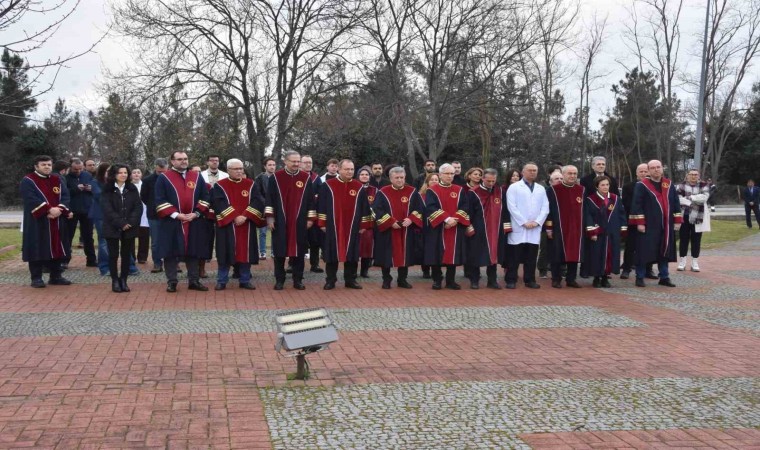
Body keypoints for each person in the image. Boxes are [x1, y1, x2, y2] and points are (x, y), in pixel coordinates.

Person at [155, 151, 212, 292]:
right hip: (172, 221)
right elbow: (159, 199)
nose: (183, 161)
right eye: (180, 159)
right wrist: (175, 214)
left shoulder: (196, 176)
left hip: (193, 220)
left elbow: (205, 197)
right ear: (172, 161)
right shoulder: (164, 178)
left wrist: (196, 213)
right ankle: (172, 282)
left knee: (193, 251)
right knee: (170, 252)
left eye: (185, 159)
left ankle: (194, 280)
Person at [317, 159, 372, 290]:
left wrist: (364, 226)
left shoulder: (359, 187)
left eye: (352, 169)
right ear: (339, 170)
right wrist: (322, 223)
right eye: (347, 169)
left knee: (352, 254)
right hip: (333, 226)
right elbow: (321, 206)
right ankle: (330, 280)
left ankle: (350, 280)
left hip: (353, 227)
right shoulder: (328, 186)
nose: (349, 172)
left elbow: (365, 208)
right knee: (331, 254)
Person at [211, 158, 266, 290]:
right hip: (227, 226)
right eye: (236, 169)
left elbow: (257, 201)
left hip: (246, 225)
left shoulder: (251, 184)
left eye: (241, 168)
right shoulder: (220, 185)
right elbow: (218, 203)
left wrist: (245, 216)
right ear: (228, 170)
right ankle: (222, 280)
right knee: (225, 252)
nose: (239, 171)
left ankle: (245, 280)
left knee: (245, 253)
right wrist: (235, 216)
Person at [266, 151, 317, 290]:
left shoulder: (305, 178)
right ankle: (280, 280)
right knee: (279, 251)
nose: (296, 164)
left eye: (298, 161)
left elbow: (311, 200)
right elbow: (269, 198)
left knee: (299, 251)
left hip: (300, 221)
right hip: (280, 221)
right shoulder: (276, 178)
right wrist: (270, 217)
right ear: (285, 162)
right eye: (293, 161)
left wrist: (310, 219)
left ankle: (298, 280)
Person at [21, 155, 73, 288]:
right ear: (36, 166)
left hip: (56, 220)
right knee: (37, 247)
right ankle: (36, 278)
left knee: (57, 246)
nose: (47, 167)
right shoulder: (28, 180)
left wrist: (59, 209)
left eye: (49, 165)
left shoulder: (57, 179)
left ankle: (56, 276)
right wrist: (49, 210)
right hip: (38, 221)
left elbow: (65, 196)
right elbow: (30, 199)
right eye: (43, 164)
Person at [629, 159, 682, 287]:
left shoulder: (668, 184)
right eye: (653, 168)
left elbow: (676, 203)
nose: (656, 169)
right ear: (648, 170)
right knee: (644, 251)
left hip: (666, 225)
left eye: (658, 167)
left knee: (664, 250)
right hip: (648, 225)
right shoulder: (642, 185)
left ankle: (664, 276)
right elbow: (637, 205)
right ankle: (640, 277)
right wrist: (640, 223)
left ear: (662, 168)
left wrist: (677, 220)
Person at [372, 167, 424, 289]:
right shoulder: (382, 192)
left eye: (402, 177)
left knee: (405, 254)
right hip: (388, 230)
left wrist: (411, 218)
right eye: (397, 178)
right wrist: (390, 221)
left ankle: (402, 279)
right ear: (391, 178)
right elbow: (376, 210)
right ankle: (386, 279)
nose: (399, 180)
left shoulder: (412, 191)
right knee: (386, 256)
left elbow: (420, 209)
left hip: (406, 230)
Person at [423, 163, 471, 290]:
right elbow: (431, 207)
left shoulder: (459, 190)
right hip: (438, 228)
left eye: (452, 173)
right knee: (437, 254)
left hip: (455, 229)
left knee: (453, 254)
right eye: (447, 173)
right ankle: (437, 280)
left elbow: (465, 206)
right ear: (440, 175)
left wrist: (455, 219)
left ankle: (451, 280)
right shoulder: (432, 190)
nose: (450, 176)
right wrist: (447, 219)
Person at [505, 163, 549, 289]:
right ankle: (511, 279)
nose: (532, 172)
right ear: (523, 172)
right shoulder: (514, 187)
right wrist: (523, 222)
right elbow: (511, 207)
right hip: (519, 226)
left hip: (534, 228)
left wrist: (537, 222)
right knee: (514, 255)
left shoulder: (540, 189)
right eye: (529, 170)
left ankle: (530, 280)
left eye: (535, 170)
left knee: (531, 255)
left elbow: (545, 207)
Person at [100, 164, 143, 293]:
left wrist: (130, 222)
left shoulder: (132, 188)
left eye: (125, 172)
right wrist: (120, 223)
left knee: (126, 254)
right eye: (120, 172)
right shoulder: (107, 189)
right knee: (113, 255)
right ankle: (115, 280)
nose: (123, 175)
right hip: (112, 226)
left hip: (129, 227)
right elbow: (107, 209)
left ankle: (123, 279)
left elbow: (138, 207)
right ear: (114, 174)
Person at [466, 168, 508, 289]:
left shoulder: (499, 192)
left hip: (496, 229)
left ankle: (492, 280)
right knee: (475, 254)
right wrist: (469, 227)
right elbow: (468, 212)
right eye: (488, 180)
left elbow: (505, 211)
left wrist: (505, 228)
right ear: (482, 178)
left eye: (493, 181)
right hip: (479, 229)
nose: (491, 183)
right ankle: (474, 280)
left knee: (494, 255)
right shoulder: (473, 192)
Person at [546, 165, 585, 289]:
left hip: (576, 228)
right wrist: (549, 227)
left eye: (575, 173)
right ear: (563, 174)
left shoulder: (582, 190)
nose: (573, 176)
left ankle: (571, 279)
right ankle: (556, 279)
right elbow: (547, 211)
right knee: (557, 253)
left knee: (574, 253)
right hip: (559, 227)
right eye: (570, 173)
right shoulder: (553, 190)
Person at [584, 176, 627, 288]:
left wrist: (623, 228)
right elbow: (588, 217)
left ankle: (605, 277)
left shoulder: (615, 198)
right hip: (599, 232)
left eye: (607, 185)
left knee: (610, 254)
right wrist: (592, 231)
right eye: (602, 185)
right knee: (597, 254)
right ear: (597, 186)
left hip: (612, 232)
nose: (605, 187)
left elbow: (622, 214)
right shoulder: (591, 199)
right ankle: (596, 278)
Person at [620, 164, 653, 279]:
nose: (643, 173)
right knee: (630, 246)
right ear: (636, 173)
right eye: (641, 171)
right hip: (633, 220)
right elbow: (626, 203)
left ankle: (649, 270)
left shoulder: (652, 186)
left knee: (648, 246)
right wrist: (640, 211)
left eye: (645, 171)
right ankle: (626, 269)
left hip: (649, 221)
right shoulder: (628, 186)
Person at [64, 157, 97, 268]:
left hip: (87, 210)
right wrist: (76, 189)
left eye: (80, 169)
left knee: (88, 236)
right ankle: (65, 260)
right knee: (68, 236)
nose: (78, 171)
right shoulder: (66, 178)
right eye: (75, 169)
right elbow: (64, 193)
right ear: (70, 167)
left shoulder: (87, 175)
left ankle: (91, 260)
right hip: (72, 210)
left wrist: (91, 189)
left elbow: (95, 189)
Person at [676, 169, 711, 272]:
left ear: (698, 176)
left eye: (695, 175)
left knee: (696, 240)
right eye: (691, 174)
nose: (693, 176)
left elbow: (704, 197)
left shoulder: (704, 185)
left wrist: (690, 197)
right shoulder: (680, 186)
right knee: (683, 239)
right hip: (684, 216)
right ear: (687, 176)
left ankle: (694, 262)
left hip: (698, 217)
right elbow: (677, 198)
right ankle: (682, 261)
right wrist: (692, 201)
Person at [140, 158, 169, 273]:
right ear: (155, 167)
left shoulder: (172, 178)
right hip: (154, 214)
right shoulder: (147, 180)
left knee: (171, 240)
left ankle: (172, 263)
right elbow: (144, 196)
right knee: (156, 241)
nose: (162, 174)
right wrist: (153, 205)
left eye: (164, 171)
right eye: (160, 171)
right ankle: (157, 263)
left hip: (171, 214)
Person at [537, 169, 563, 279]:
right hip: (545, 224)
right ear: (550, 181)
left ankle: (560, 270)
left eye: (561, 178)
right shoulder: (547, 192)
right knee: (545, 247)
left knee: (559, 248)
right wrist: (548, 226)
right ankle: (542, 269)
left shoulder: (565, 191)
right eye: (557, 179)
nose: (559, 180)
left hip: (561, 224)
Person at [300, 154, 324, 273]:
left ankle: (314, 264)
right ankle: (292, 264)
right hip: (299, 214)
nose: (308, 164)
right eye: (305, 162)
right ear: (300, 163)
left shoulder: (316, 178)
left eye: (310, 162)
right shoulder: (296, 177)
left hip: (313, 214)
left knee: (315, 241)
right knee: (298, 239)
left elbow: (321, 195)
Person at [253, 158, 277, 260]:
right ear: (265, 166)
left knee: (274, 230)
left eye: (274, 165)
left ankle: (274, 251)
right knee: (262, 231)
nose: (272, 167)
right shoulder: (259, 178)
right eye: (270, 165)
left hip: (275, 209)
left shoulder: (278, 178)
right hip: (263, 208)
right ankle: (262, 252)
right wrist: (266, 204)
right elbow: (257, 193)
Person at [356, 166, 377, 277]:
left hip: (369, 223)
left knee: (367, 248)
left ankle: (364, 271)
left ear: (370, 176)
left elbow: (376, 206)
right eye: (362, 174)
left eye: (366, 174)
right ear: (358, 176)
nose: (364, 176)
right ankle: (352, 271)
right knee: (354, 248)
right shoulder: (354, 188)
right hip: (354, 223)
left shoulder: (375, 190)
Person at [418, 172, 439, 279]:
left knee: (435, 249)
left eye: (436, 180)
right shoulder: (420, 196)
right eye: (432, 180)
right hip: (423, 226)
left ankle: (436, 270)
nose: (434, 181)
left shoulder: (440, 194)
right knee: (424, 248)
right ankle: (425, 270)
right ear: (427, 182)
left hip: (436, 226)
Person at [131, 168, 151, 264]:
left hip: (144, 215)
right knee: (130, 237)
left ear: (141, 175)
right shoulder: (128, 186)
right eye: (134, 172)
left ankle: (142, 257)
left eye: (138, 172)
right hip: (131, 215)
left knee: (144, 237)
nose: (136, 174)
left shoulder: (145, 185)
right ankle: (131, 256)